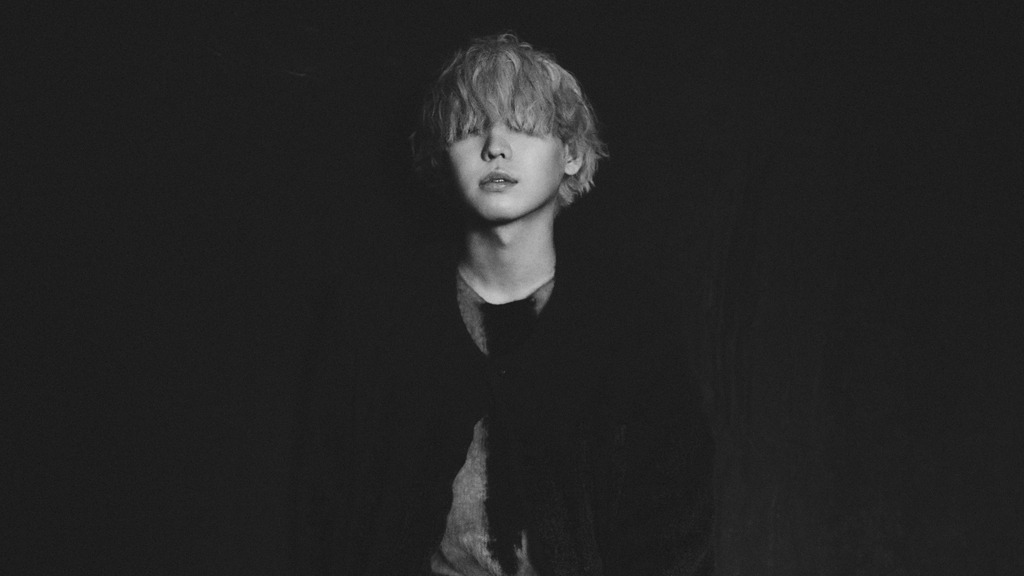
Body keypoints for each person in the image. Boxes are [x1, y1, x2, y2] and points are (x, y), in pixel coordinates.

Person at [292, 33, 714, 576]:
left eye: (522, 125)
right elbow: (323, 516)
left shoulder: (631, 327)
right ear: (440, 156)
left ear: (571, 155)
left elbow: (676, 527)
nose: (495, 146)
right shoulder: (372, 321)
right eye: (470, 129)